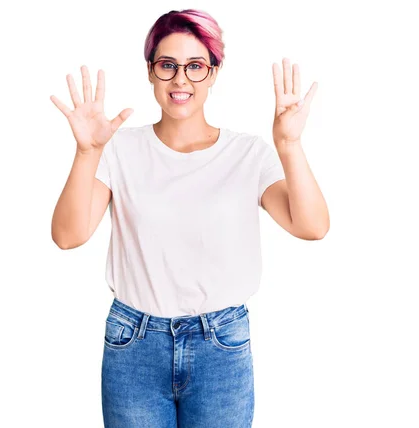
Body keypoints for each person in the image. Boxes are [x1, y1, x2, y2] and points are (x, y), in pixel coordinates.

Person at [50, 8, 329, 427]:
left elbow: (312, 226)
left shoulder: (248, 154)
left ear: (214, 73)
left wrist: (289, 145)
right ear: (150, 71)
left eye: (196, 66)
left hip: (221, 346)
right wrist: (88, 152)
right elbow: (68, 236)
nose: (181, 80)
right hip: (134, 347)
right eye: (168, 65)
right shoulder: (119, 149)